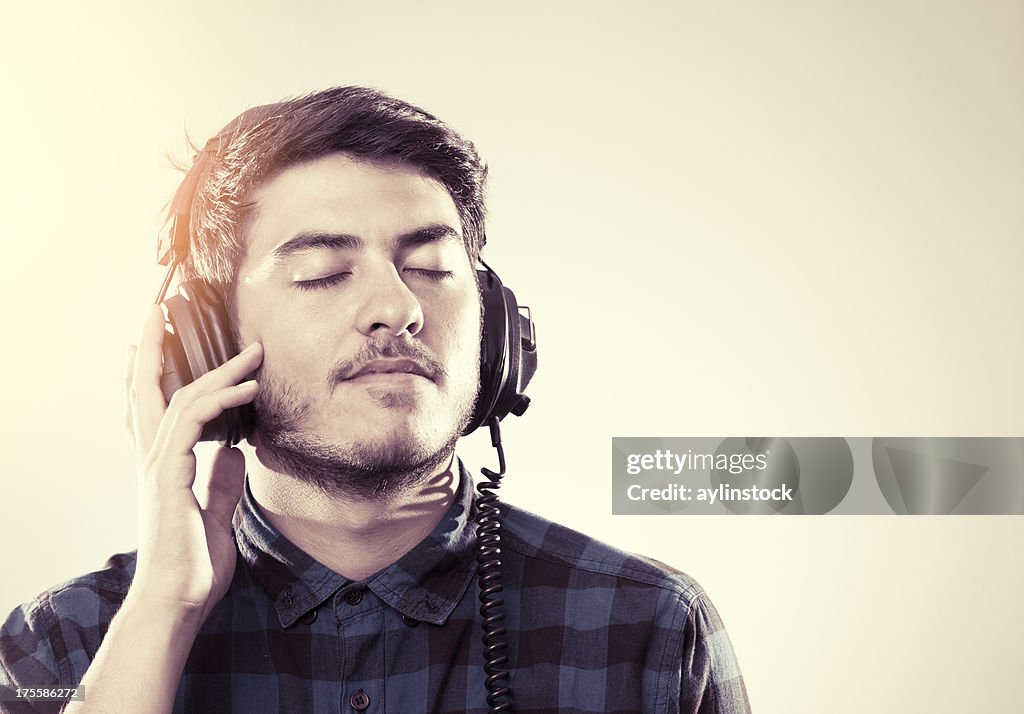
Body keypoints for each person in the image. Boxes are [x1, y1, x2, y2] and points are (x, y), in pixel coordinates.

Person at [0, 86, 751, 713]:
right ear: (209, 340)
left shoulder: (647, 628)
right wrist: (164, 612)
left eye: (429, 265)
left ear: (496, 333)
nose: (397, 307)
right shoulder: (67, 638)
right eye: (326, 273)